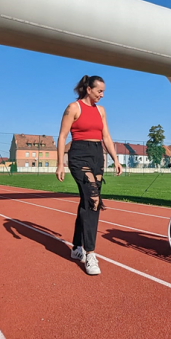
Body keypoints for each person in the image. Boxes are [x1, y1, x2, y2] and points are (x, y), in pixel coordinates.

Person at [56, 75, 123, 275]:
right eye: (99, 91)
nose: (102, 95)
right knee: (94, 200)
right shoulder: (73, 108)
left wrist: (116, 159)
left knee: (87, 200)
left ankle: (77, 247)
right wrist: (60, 163)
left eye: (103, 91)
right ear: (88, 89)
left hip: (97, 155)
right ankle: (90, 253)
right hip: (78, 155)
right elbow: (61, 136)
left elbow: (107, 136)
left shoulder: (101, 111)